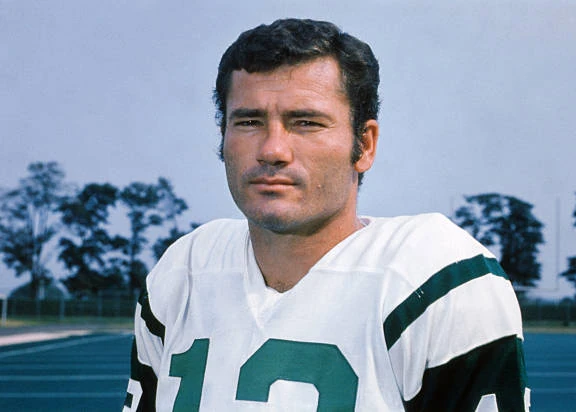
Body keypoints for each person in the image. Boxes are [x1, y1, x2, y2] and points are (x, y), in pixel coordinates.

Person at [124, 18, 529, 411]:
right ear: (223, 137)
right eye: (248, 121)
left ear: (364, 145)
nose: (272, 150)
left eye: (306, 122)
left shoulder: (429, 281)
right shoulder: (184, 273)